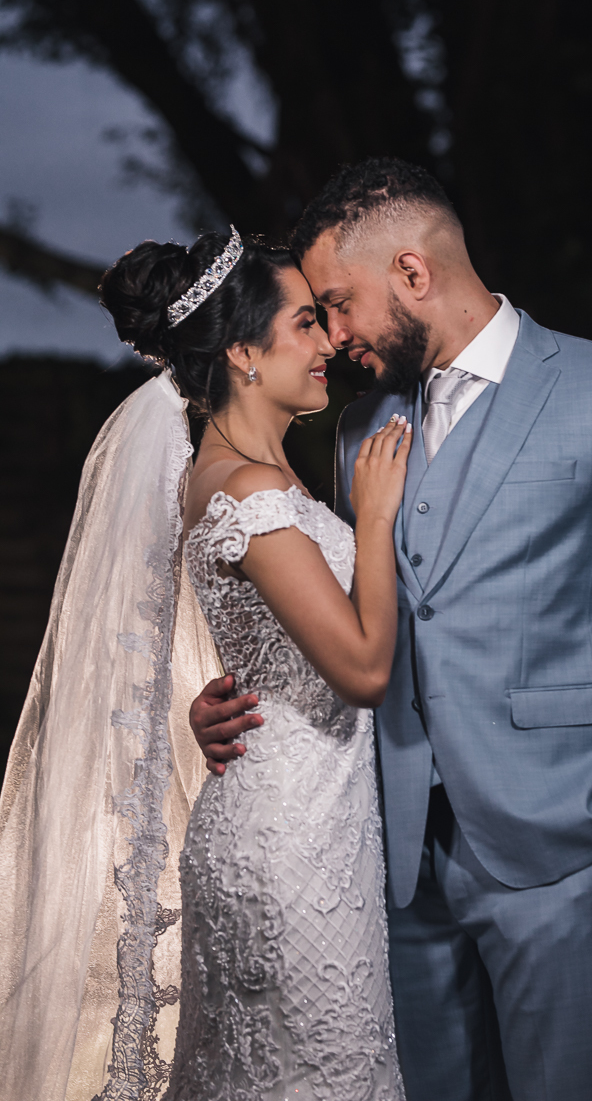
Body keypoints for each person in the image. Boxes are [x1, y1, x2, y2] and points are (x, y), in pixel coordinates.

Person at [192, 160, 592, 1101]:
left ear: (412, 273)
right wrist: (217, 699)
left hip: (563, 846)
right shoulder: (360, 426)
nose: (334, 334)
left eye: (338, 303)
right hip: (388, 857)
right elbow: (334, 609)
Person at [0, 228, 410, 1101]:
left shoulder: (244, 477)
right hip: (290, 846)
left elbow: (254, 644)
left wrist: (205, 702)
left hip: (299, 820)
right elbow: (364, 671)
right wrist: (374, 518)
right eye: (304, 322)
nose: (328, 340)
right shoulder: (249, 491)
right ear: (242, 353)